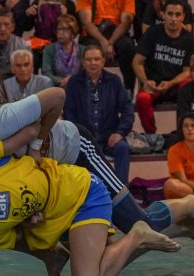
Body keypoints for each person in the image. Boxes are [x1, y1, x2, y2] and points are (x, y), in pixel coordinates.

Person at [0, 83, 186, 275]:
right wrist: (27, 203)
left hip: (73, 152)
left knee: (139, 222)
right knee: (89, 263)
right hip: (53, 189)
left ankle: (185, 209)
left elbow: (56, 97)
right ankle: (154, 232)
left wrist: (37, 149)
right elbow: (3, 209)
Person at [64, 44, 133, 185]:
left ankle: (122, 194)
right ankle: (85, 193)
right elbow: (69, 113)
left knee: (123, 148)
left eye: (96, 59)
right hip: (84, 140)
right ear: (83, 62)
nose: (93, 63)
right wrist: (78, 135)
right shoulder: (74, 83)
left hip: (109, 137)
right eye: (89, 60)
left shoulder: (114, 81)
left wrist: (120, 133)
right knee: (71, 152)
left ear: (103, 61)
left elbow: (127, 110)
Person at [133, 0, 194, 134]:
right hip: (153, 84)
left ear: (183, 17)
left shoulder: (190, 40)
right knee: (142, 99)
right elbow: (137, 62)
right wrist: (145, 81)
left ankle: (183, 133)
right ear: (163, 15)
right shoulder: (152, 33)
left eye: (177, 14)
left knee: (189, 88)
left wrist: (170, 83)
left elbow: (187, 72)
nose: (173, 19)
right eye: (170, 14)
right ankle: (151, 135)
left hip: (174, 85)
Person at [76, 0, 136, 93]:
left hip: (117, 32)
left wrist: (110, 42)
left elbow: (125, 23)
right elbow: (86, 23)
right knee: (90, 51)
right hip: (94, 33)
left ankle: (128, 90)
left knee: (128, 47)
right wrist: (103, 41)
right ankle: (88, 91)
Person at [42, 14, 84, 88]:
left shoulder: (83, 50)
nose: (60, 33)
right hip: (56, 87)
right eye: (58, 29)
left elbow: (85, 72)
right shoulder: (49, 49)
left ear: (73, 32)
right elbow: (46, 72)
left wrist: (72, 80)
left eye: (65, 29)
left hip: (78, 86)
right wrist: (61, 81)